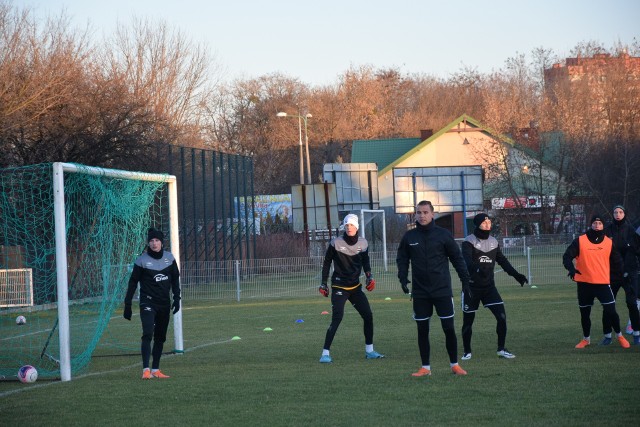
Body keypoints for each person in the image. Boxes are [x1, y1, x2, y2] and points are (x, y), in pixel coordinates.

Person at [396, 200, 470, 377]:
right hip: (420, 292)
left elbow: (457, 259)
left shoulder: (443, 235)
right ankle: (425, 368)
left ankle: (454, 365)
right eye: (419, 212)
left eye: (425, 212)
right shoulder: (409, 237)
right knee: (422, 329)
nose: (422, 216)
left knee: (448, 328)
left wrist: (465, 281)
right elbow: (402, 259)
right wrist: (403, 277)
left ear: (432, 214)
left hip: (442, 290)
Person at [460, 213, 529, 361]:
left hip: (489, 288)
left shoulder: (493, 242)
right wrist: (477, 269)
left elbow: (503, 261)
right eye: (484, 223)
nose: (487, 225)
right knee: (468, 322)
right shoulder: (468, 241)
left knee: (502, 317)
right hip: (471, 288)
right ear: (477, 225)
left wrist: (516, 275)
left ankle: (501, 349)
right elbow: (466, 261)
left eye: (489, 222)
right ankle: (467, 351)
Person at [318, 214, 383, 363]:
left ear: (357, 227)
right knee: (337, 318)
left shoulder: (363, 243)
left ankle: (370, 351)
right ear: (344, 227)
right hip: (339, 286)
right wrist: (323, 283)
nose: (349, 228)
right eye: (347, 225)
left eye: (352, 225)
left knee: (368, 315)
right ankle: (325, 354)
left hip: (355, 287)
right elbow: (327, 263)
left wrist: (369, 276)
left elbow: (366, 262)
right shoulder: (336, 243)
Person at [562, 214, 630, 349]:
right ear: (591, 224)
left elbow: (617, 262)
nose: (597, 225)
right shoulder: (580, 241)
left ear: (603, 226)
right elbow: (566, 257)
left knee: (611, 311)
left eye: (599, 223)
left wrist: (622, 276)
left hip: (603, 284)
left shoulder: (608, 242)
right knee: (585, 314)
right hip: (584, 284)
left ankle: (620, 336)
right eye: (595, 223)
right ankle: (586, 339)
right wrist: (571, 269)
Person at [123, 228, 181, 379]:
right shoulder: (141, 260)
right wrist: (127, 304)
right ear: (148, 243)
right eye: (151, 241)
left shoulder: (170, 258)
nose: (154, 243)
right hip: (147, 302)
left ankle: (156, 369)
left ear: (162, 242)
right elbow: (133, 283)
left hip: (164, 303)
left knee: (160, 337)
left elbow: (175, 280)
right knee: (148, 333)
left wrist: (177, 298)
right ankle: (145, 370)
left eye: (157, 240)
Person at [603, 205, 640, 345]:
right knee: (608, 306)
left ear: (625, 214)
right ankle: (607, 336)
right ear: (612, 214)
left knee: (632, 304)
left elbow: (637, 250)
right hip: (611, 274)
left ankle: (636, 334)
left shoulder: (632, 231)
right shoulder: (607, 230)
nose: (618, 214)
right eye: (615, 212)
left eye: (620, 212)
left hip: (630, 274)